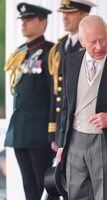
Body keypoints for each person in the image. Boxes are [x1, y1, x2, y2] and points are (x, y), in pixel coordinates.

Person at [56, 15, 107, 200]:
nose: (99, 46)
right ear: (82, 41)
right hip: (74, 141)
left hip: (106, 142)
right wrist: (61, 144)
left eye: (103, 40)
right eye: (93, 42)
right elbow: (66, 105)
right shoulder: (70, 61)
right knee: (75, 195)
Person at [4, 3, 56, 200]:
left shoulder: (51, 52)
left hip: (41, 132)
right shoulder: (20, 52)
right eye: (22, 20)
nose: (23, 23)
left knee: (48, 187)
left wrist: (53, 131)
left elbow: (54, 94)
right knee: (29, 188)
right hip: (20, 131)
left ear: (43, 22)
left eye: (29, 19)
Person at [48, 0, 96, 150]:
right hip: (62, 125)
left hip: (83, 125)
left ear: (85, 15)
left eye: (70, 13)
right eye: (63, 13)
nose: (64, 17)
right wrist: (54, 131)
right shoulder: (59, 47)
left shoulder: (94, 45)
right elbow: (56, 91)